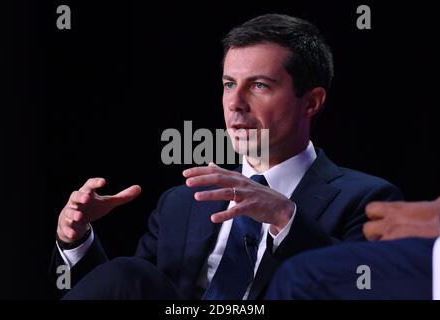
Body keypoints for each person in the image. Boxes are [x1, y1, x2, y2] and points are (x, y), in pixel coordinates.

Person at [51, 14, 402, 300]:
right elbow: (125, 292)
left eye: (259, 85)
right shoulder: (182, 203)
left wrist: (284, 215)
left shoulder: (369, 200)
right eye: (229, 84)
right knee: (128, 273)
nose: (235, 103)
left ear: (311, 102)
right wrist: (77, 241)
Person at [265, 197, 440, 299]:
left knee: (299, 278)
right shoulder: (237, 172)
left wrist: (289, 219)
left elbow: (362, 280)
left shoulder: (369, 193)